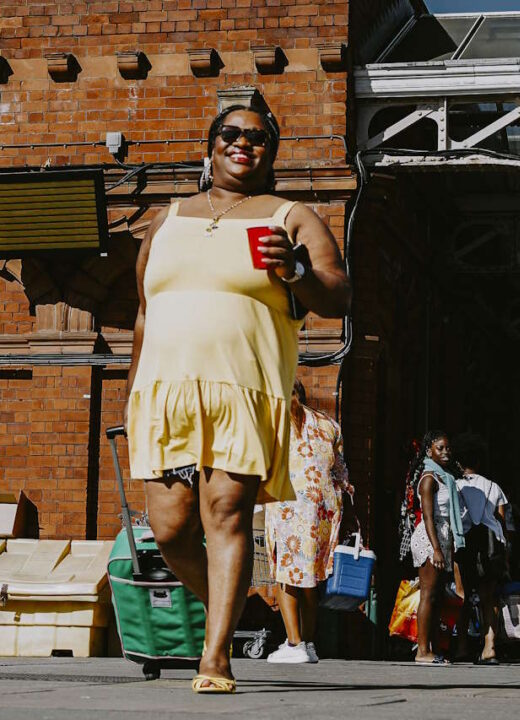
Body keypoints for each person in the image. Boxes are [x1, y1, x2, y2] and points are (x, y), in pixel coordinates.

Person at [124, 104, 351, 693]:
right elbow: (145, 314)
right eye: (231, 133)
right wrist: (132, 390)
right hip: (166, 393)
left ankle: (215, 657)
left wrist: (297, 271)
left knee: (223, 514)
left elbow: (339, 295)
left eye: (256, 138)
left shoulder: (290, 216)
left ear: (269, 152)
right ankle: (235, 602)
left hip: (244, 392)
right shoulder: (166, 219)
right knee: (170, 529)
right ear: (212, 144)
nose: (242, 143)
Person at [264, 379, 356, 663]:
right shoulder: (329, 424)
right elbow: (341, 472)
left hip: (289, 505)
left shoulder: (275, 421)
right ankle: (310, 642)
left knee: (286, 574)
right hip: (324, 508)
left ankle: (294, 643)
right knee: (310, 578)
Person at [409, 431, 466, 664]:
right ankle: (422, 651)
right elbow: (428, 517)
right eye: (440, 448)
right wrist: (436, 549)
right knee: (428, 594)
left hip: (443, 538)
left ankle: (432, 648)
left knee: (437, 598)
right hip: (430, 538)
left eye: (447, 448)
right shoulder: (429, 478)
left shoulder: (446, 478)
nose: (445, 452)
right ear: (429, 450)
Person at [453, 433, 509, 665]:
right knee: (489, 598)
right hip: (489, 543)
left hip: (464, 544)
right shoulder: (494, 486)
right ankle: (489, 647)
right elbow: (502, 520)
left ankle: (461, 647)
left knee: (462, 596)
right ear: (479, 462)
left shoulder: (455, 486)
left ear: (459, 463)